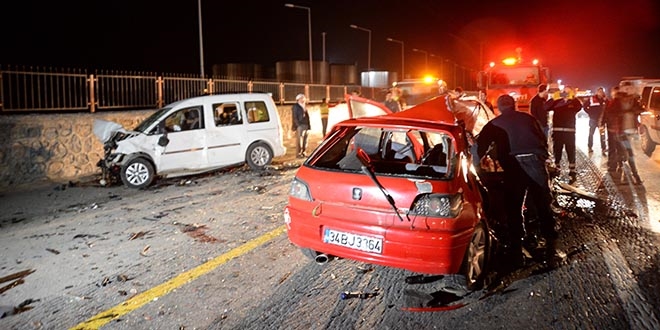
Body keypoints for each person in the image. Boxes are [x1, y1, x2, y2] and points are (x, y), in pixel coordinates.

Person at [477, 95, 558, 269]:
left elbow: (479, 148)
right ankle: (551, 249)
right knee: (543, 204)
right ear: (514, 106)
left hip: (514, 169)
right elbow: (543, 139)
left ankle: (516, 251)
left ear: (498, 108)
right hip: (536, 163)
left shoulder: (494, 124)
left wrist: (477, 167)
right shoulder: (529, 118)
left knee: (513, 207)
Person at [602, 87, 643, 184]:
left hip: (630, 130)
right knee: (629, 153)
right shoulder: (616, 101)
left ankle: (621, 169)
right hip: (620, 131)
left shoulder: (633, 100)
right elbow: (610, 112)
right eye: (626, 88)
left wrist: (634, 111)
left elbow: (640, 109)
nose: (628, 90)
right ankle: (635, 175)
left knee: (624, 152)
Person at [545, 86, 583, 182]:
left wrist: (573, 98)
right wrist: (554, 98)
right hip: (557, 131)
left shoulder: (573, 103)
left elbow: (579, 107)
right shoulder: (557, 102)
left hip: (569, 131)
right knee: (557, 150)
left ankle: (572, 171)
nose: (566, 94)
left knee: (570, 150)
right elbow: (546, 107)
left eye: (568, 92)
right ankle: (557, 168)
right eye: (564, 92)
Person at [584, 87, 608, 154]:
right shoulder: (592, 99)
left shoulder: (605, 100)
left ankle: (603, 148)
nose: (601, 93)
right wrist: (590, 113)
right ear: (597, 92)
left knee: (602, 135)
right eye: (599, 91)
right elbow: (585, 106)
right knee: (591, 134)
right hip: (593, 120)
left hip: (602, 121)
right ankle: (590, 147)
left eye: (602, 91)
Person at [292, 94, 311, 158]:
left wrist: (309, 126)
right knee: (299, 140)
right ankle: (298, 154)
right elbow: (294, 117)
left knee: (305, 140)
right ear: (298, 99)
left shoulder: (304, 106)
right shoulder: (296, 106)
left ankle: (304, 152)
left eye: (304, 98)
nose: (303, 99)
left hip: (305, 125)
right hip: (300, 125)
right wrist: (298, 125)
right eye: (302, 98)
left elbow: (307, 116)